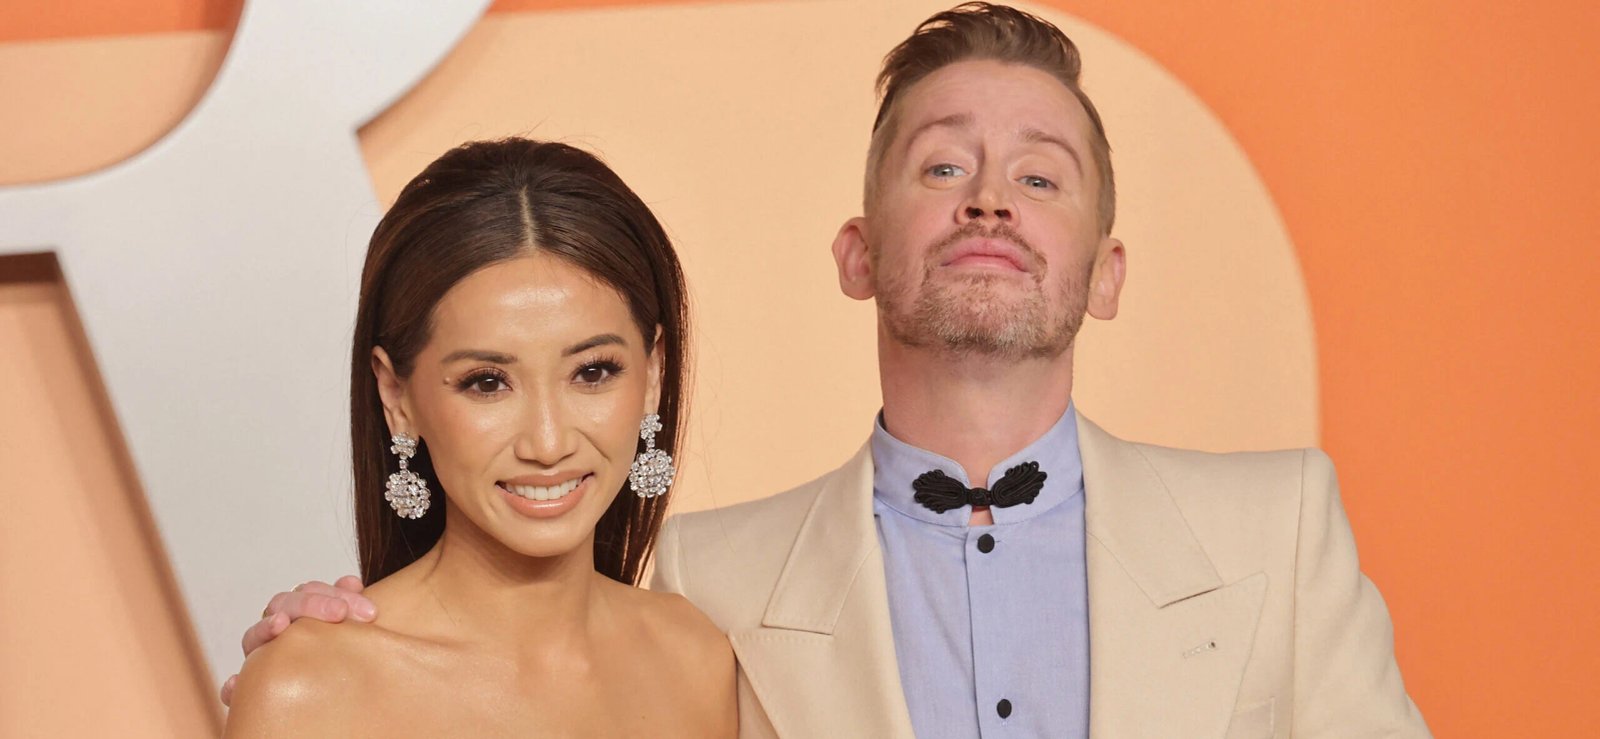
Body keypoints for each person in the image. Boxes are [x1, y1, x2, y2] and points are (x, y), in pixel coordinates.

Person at [227, 4, 1431, 737]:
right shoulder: (712, 590)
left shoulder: (1277, 527)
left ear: (1109, 274)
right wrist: (324, 655)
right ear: (855, 253)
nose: (991, 200)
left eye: (1040, 176)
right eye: (942, 168)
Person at [222, 138, 736, 737]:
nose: (547, 443)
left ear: (653, 374)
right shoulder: (309, 691)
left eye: (593, 372)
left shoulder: (697, 658)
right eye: (487, 382)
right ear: (396, 396)